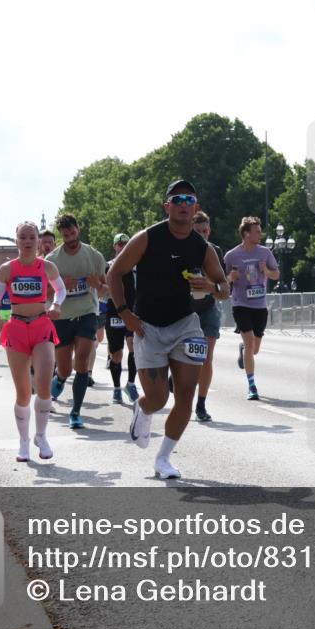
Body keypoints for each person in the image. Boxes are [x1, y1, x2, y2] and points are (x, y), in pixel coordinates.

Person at [108, 179, 226, 479]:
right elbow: (115, 273)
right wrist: (125, 313)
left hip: (186, 325)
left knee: (185, 396)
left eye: (189, 200)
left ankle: (163, 459)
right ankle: (143, 409)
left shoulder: (203, 247)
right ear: (167, 206)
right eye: (178, 199)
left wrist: (211, 286)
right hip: (148, 326)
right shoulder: (148, 238)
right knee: (158, 398)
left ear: (196, 208)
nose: (184, 204)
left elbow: (224, 288)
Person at [0, 221, 66, 462]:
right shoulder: (7, 269)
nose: (28, 241)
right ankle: (23, 443)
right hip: (16, 329)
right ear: (17, 241)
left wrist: (56, 305)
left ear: (38, 241)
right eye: (23, 237)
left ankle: (40, 436)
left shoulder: (47, 267)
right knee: (23, 393)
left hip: (42, 326)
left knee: (43, 387)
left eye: (32, 236)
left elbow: (61, 290)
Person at [47, 213, 107, 429]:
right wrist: (60, 285)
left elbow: (107, 289)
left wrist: (97, 285)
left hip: (88, 312)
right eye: (65, 235)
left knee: (81, 359)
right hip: (62, 317)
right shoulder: (51, 261)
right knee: (64, 368)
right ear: (60, 236)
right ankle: (60, 380)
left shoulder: (94, 256)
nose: (70, 238)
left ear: (78, 229)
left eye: (73, 233)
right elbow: (43, 294)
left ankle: (75, 412)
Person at [223, 216, 280, 400]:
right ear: (246, 234)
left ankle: (243, 351)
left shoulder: (265, 253)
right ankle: (252, 386)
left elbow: (276, 275)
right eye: (257, 231)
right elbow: (223, 281)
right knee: (249, 344)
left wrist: (266, 271)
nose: (260, 234)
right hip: (241, 304)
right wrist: (231, 278)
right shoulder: (231, 256)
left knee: (253, 350)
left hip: (260, 306)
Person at [191, 211, 231, 421]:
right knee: (184, 357)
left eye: (205, 231)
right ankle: (174, 378)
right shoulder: (181, 248)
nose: (202, 235)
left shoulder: (214, 251)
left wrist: (211, 285)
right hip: (185, 310)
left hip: (208, 308)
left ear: (209, 230)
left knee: (206, 357)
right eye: (197, 231)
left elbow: (224, 286)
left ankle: (201, 405)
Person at [105, 233, 139, 404]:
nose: (123, 246)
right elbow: (102, 290)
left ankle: (131, 384)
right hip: (114, 313)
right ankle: (117, 387)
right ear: (114, 246)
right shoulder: (108, 266)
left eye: (126, 243)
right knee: (116, 354)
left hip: (133, 312)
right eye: (120, 244)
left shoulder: (136, 266)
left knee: (134, 348)